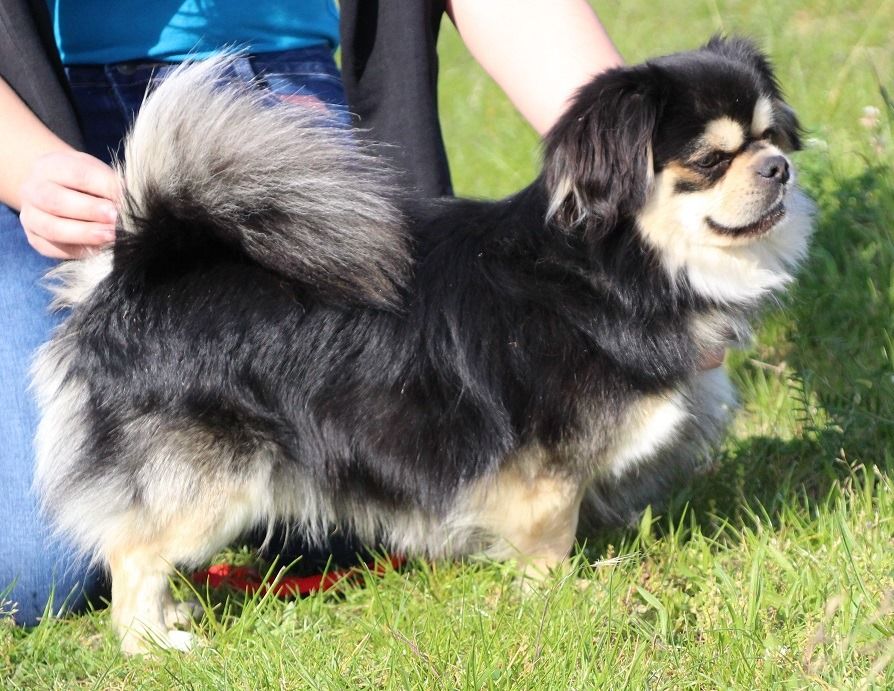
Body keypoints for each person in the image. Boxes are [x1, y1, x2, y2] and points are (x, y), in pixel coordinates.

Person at [0, 0, 624, 625]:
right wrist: (28, 170)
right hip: (36, 119)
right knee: (35, 575)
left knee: (385, 507)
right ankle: (160, 523)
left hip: (289, 94)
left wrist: (624, 140)